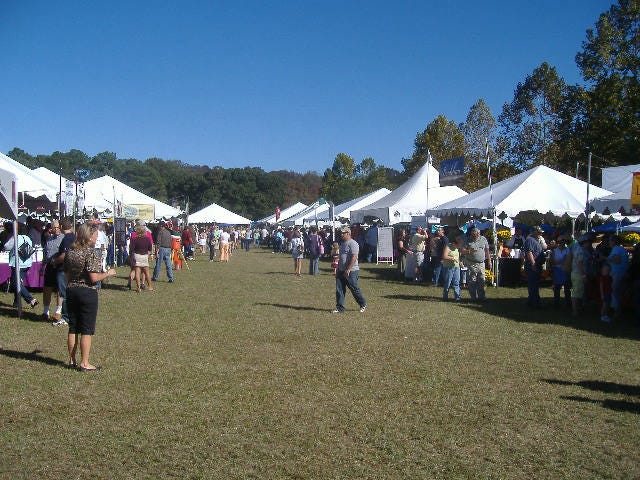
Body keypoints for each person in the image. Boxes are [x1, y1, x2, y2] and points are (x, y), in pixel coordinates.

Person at [64, 223, 117, 370]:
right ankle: (85, 362)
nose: (96, 237)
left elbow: (67, 274)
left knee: (73, 327)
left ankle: (71, 360)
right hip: (87, 292)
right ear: (89, 236)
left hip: (71, 290)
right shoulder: (91, 252)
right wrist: (108, 273)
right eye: (94, 235)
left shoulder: (70, 251)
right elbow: (93, 278)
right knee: (87, 328)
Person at [3, 222, 39, 309]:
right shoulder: (28, 238)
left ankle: (31, 299)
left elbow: (6, 247)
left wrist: (11, 237)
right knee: (19, 283)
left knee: (16, 283)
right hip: (26, 264)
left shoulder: (16, 238)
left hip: (17, 263)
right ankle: (17, 302)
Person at [332, 226, 367, 313]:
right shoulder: (342, 244)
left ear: (348, 233)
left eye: (343, 233)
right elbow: (340, 257)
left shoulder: (353, 243)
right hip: (341, 270)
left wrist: (348, 269)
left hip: (351, 271)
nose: (341, 234)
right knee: (339, 289)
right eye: (341, 233)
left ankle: (362, 304)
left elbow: (354, 257)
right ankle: (340, 308)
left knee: (354, 288)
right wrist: (337, 269)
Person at [42, 220, 64, 323]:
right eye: (54, 228)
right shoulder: (49, 239)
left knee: (60, 290)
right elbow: (45, 253)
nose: (56, 229)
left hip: (59, 267)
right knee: (47, 289)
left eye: (57, 227)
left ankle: (58, 311)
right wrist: (42, 266)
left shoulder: (63, 239)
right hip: (49, 266)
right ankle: (45, 311)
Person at [606, 235, 629, 319]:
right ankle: (618, 309)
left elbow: (617, 260)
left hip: (618, 273)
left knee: (615, 292)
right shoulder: (621, 249)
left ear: (614, 241)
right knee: (618, 292)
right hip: (620, 273)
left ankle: (617, 311)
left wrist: (605, 258)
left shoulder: (616, 249)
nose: (609, 242)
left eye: (610, 240)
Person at [523, 226, 545, 308]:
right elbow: (529, 253)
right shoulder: (530, 240)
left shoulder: (536, 240)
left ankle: (533, 301)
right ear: (533, 232)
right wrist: (533, 264)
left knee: (535, 284)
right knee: (533, 284)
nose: (540, 234)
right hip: (532, 265)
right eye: (539, 232)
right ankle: (534, 302)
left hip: (537, 265)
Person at [570, 234, 591, 317]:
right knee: (576, 294)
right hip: (578, 274)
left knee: (577, 293)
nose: (589, 244)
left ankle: (577, 310)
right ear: (584, 243)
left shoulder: (578, 249)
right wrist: (583, 276)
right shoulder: (581, 251)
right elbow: (580, 264)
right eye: (588, 242)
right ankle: (575, 311)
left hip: (575, 273)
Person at [130, 224, 153, 292]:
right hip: (145, 256)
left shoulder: (135, 239)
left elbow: (132, 249)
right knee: (147, 272)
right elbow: (150, 248)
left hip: (137, 255)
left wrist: (131, 255)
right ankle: (150, 286)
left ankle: (138, 288)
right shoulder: (148, 239)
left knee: (137, 272)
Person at [550, 235, 571, 308]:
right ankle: (556, 303)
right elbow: (553, 261)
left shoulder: (567, 250)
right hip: (557, 271)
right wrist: (562, 261)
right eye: (560, 242)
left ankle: (568, 303)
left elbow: (568, 260)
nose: (562, 243)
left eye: (563, 242)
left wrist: (561, 261)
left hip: (565, 270)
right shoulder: (554, 251)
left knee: (567, 288)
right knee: (557, 288)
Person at [442, 235, 462, 301]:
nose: (458, 246)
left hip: (456, 267)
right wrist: (452, 258)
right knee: (448, 282)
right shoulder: (448, 247)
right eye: (458, 245)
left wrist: (460, 263)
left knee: (456, 282)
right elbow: (444, 256)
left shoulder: (457, 248)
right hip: (448, 267)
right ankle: (445, 297)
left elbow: (457, 257)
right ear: (454, 243)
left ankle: (457, 297)